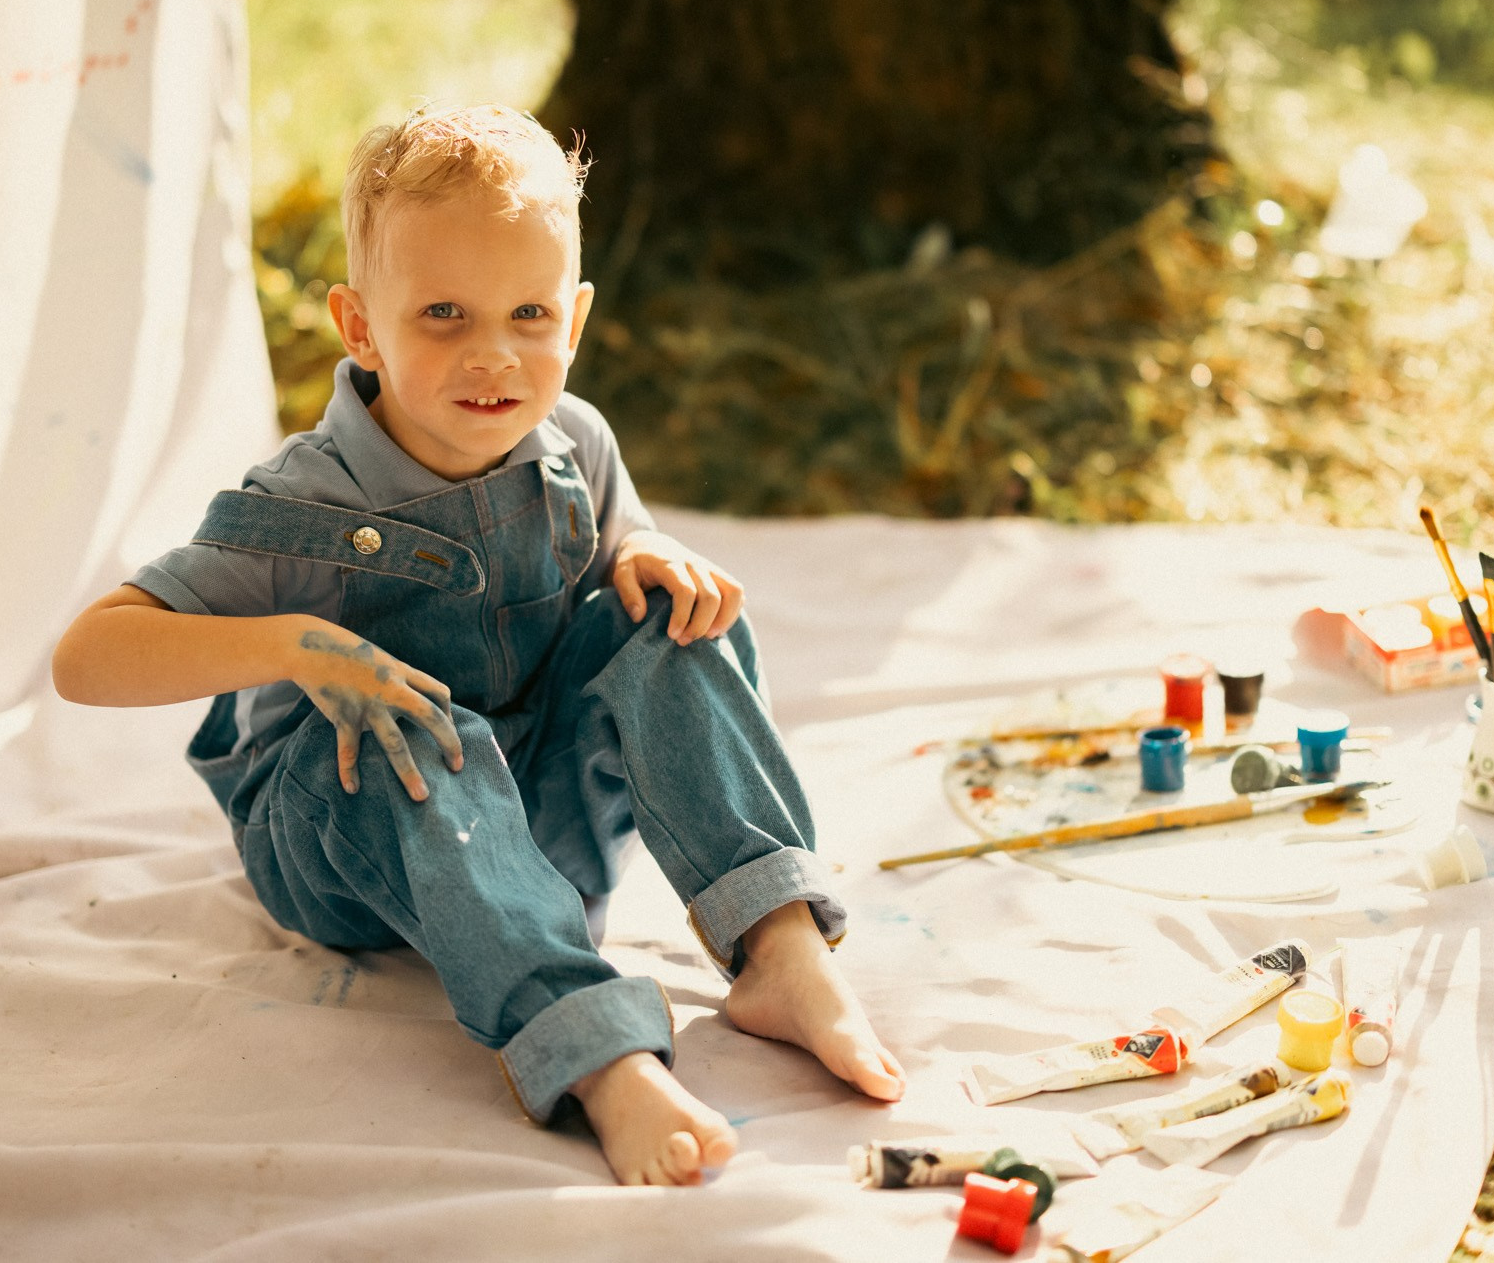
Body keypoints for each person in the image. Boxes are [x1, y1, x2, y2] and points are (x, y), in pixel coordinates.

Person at [52, 103, 905, 1187]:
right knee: (421, 726)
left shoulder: (572, 443)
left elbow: (622, 544)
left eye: (529, 312)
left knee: (670, 620)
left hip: (534, 822)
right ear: (359, 325)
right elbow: (87, 656)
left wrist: (647, 551)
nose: (492, 353)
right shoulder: (306, 498)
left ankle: (777, 944)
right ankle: (593, 1052)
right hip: (351, 840)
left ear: (577, 317)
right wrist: (300, 645)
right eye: (443, 313)